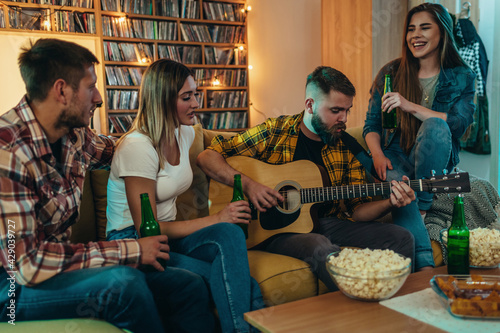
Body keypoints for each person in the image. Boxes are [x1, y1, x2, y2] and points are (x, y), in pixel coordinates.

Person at [0, 39, 214, 333]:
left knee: (187, 284)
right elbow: (28, 264)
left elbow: (122, 149)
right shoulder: (7, 153)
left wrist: (155, 138)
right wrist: (130, 250)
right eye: (91, 87)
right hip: (10, 287)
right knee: (124, 284)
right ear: (62, 90)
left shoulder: (74, 136)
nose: (99, 97)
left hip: (60, 267)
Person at [197, 65, 416, 291]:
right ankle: (359, 312)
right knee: (319, 247)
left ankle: (396, 309)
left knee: (401, 237)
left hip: (329, 224)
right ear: (310, 105)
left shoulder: (345, 147)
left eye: (347, 110)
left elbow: (357, 211)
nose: (344, 119)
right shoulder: (275, 132)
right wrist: (251, 186)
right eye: (336, 110)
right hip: (277, 230)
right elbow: (207, 157)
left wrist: (390, 202)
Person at [105, 58, 264, 333]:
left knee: (231, 233)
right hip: (136, 240)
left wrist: (250, 184)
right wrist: (217, 217)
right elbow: (146, 228)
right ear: (163, 100)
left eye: (195, 94)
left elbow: (221, 152)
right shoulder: (137, 147)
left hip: (172, 237)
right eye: (186, 97)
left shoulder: (187, 133)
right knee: (245, 283)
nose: (196, 103)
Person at [363, 3, 476, 270]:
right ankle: (424, 268)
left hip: (436, 162)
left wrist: (409, 105)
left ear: (442, 32)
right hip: (395, 159)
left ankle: (422, 207)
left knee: (437, 126)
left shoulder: (462, 76)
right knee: (399, 187)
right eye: (411, 29)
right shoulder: (390, 72)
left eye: (425, 27)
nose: (416, 35)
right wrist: (377, 155)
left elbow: (458, 124)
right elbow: (371, 125)